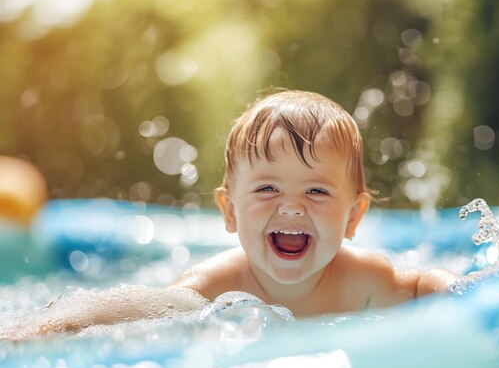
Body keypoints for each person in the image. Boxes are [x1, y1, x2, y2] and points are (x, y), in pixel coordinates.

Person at [7, 90, 456, 339]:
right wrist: (45, 327)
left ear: (354, 216)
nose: (293, 206)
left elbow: (423, 287)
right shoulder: (217, 288)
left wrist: (447, 289)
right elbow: (129, 308)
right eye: (267, 188)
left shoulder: (364, 280)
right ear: (229, 210)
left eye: (317, 190)